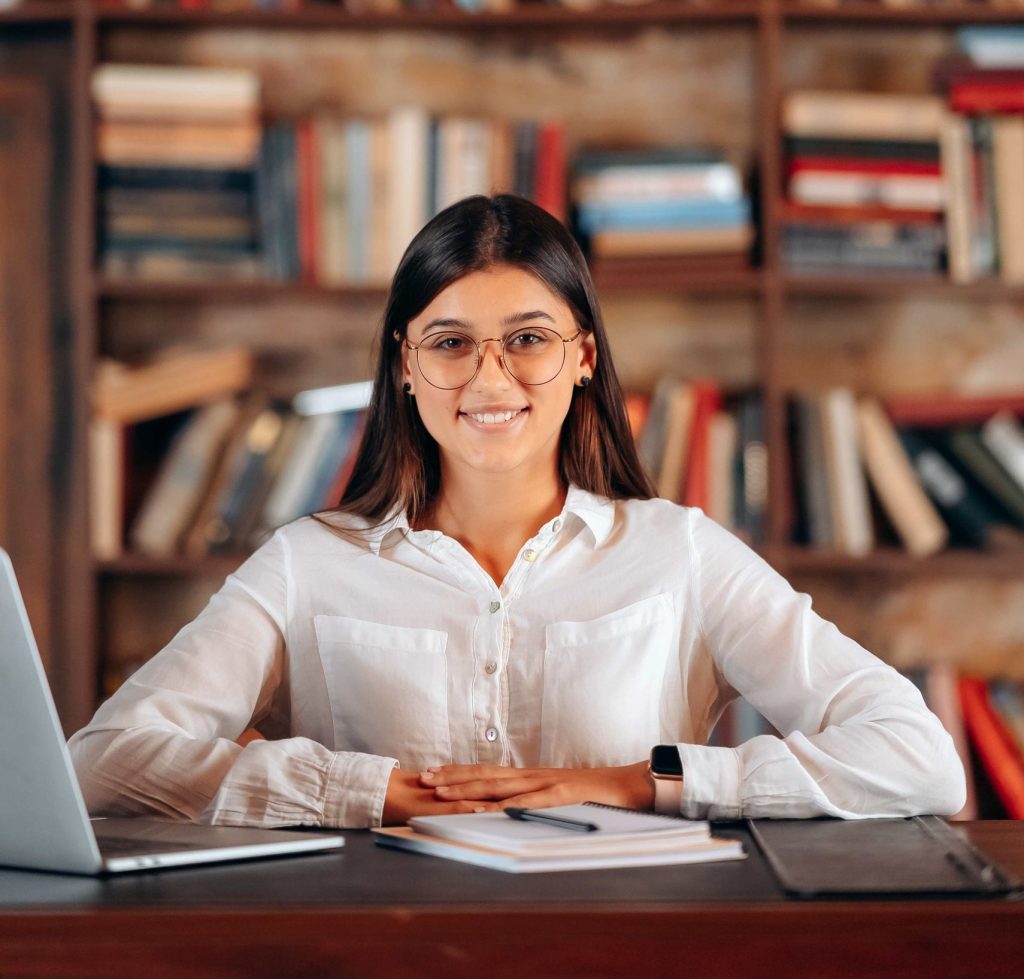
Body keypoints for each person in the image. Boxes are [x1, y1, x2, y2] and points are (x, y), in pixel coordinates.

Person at [69, 194, 966, 828]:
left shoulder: (678, 552)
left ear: (581, 356)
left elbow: (915, 757)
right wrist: (362, 790)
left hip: (633, 957)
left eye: (528, 340)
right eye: (450, 343)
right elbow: (102, 761)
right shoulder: (308, 562)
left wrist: (633, 782)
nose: (489, 379)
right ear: (403, 364)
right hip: (376, 957)